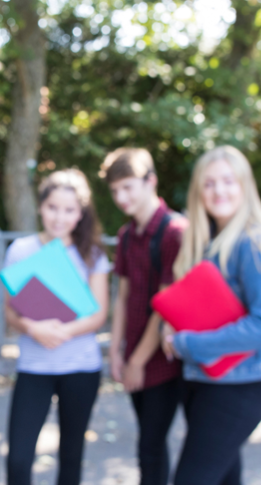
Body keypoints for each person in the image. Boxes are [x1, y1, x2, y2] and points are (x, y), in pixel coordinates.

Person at [162, 145, 261, 485]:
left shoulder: (256, 244)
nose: (219, 190)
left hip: (240, 386)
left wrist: (187, 343)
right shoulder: (210, 240)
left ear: (244, 185)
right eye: (209, 183)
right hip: (205, 381)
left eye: (228, 180)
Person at [2, 169, 111, 485]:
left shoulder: (91, 254)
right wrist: (34, 329)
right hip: (34, 366)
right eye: (52, 207)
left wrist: (59, 332)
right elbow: (10, 312)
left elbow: (99, 314)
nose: (59, 217)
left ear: (80, 213)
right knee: (19, 460)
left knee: (71, 459)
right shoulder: (20, 250)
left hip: (81, 368)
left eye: (69, 210)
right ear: (40, 207)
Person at [101, 147, 187, 485]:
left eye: (128, 187)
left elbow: (167, 303)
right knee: (149, 446)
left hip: (164, 360)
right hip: (134, 352)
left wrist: (137, 359)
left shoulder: (175, 232)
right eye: (114, 190)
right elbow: (122, 297)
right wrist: (116, 351)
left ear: (150, 181)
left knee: (151, 446)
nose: (121, 197)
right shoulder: (126, 236)